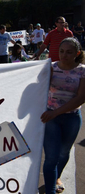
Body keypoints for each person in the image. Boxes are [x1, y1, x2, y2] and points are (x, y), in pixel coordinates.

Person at [41, 38, 85, 194]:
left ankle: (57, 177)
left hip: (71, 118)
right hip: (50, 118)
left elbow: (81, 98)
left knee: (63, 152)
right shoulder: (50, 68)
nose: (64, 55)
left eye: (69, 52)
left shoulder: (82, 71)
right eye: (61, 51)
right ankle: (50, 191)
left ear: (77, 53)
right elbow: (35, 87)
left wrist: (56, 112)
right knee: (51, 157)